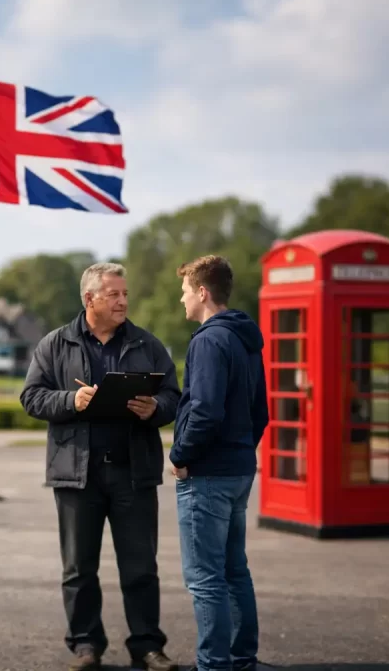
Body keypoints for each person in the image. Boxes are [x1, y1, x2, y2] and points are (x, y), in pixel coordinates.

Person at [20, 262, 182, 671]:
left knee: (142, 568)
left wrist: (155, 408)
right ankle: (85, 646)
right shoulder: (54, 345)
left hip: (133, 473)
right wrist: (68, 402)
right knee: (78, 570)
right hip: (77, 475)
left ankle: (147, 646)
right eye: (114, 294)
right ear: (89, 299)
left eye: (125, 293)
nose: (124, 301)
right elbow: (31, 397)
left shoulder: (148, 344)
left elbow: (175, 398)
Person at [170, 255, 270, 671]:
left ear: (203, 293)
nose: (182, 300)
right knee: (234, 570)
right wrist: (243, 450)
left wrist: (180, 455)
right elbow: (260, 411)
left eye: (185, 292)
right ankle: (242, 658)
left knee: (205, 577)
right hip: (239, 468)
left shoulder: (209, 340)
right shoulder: (247, 337)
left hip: (208, 473)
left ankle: (214, 664)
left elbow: (206, 410)